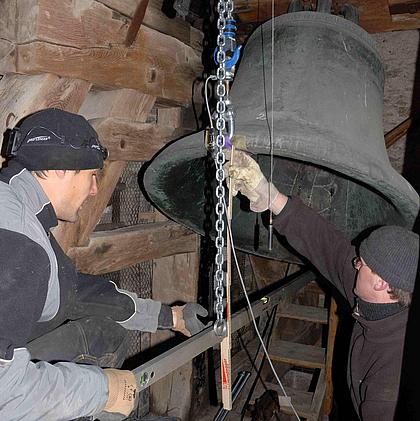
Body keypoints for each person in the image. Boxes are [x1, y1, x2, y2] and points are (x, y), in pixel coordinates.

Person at [0, 108, 208, 421]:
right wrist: (102, 391)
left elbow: (71, 292)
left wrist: (170, 317)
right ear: (62, 169)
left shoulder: (16, 211)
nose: (95, 189)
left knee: (107, 332)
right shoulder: (20, 249)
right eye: (91, 176)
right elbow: (7, 396)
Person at [226, 150, 419, 421]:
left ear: (381, 283)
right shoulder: (381, 296)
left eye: (361, 263)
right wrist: (268, 195)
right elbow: (326, 244)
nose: (354, 264)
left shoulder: (391, 381)